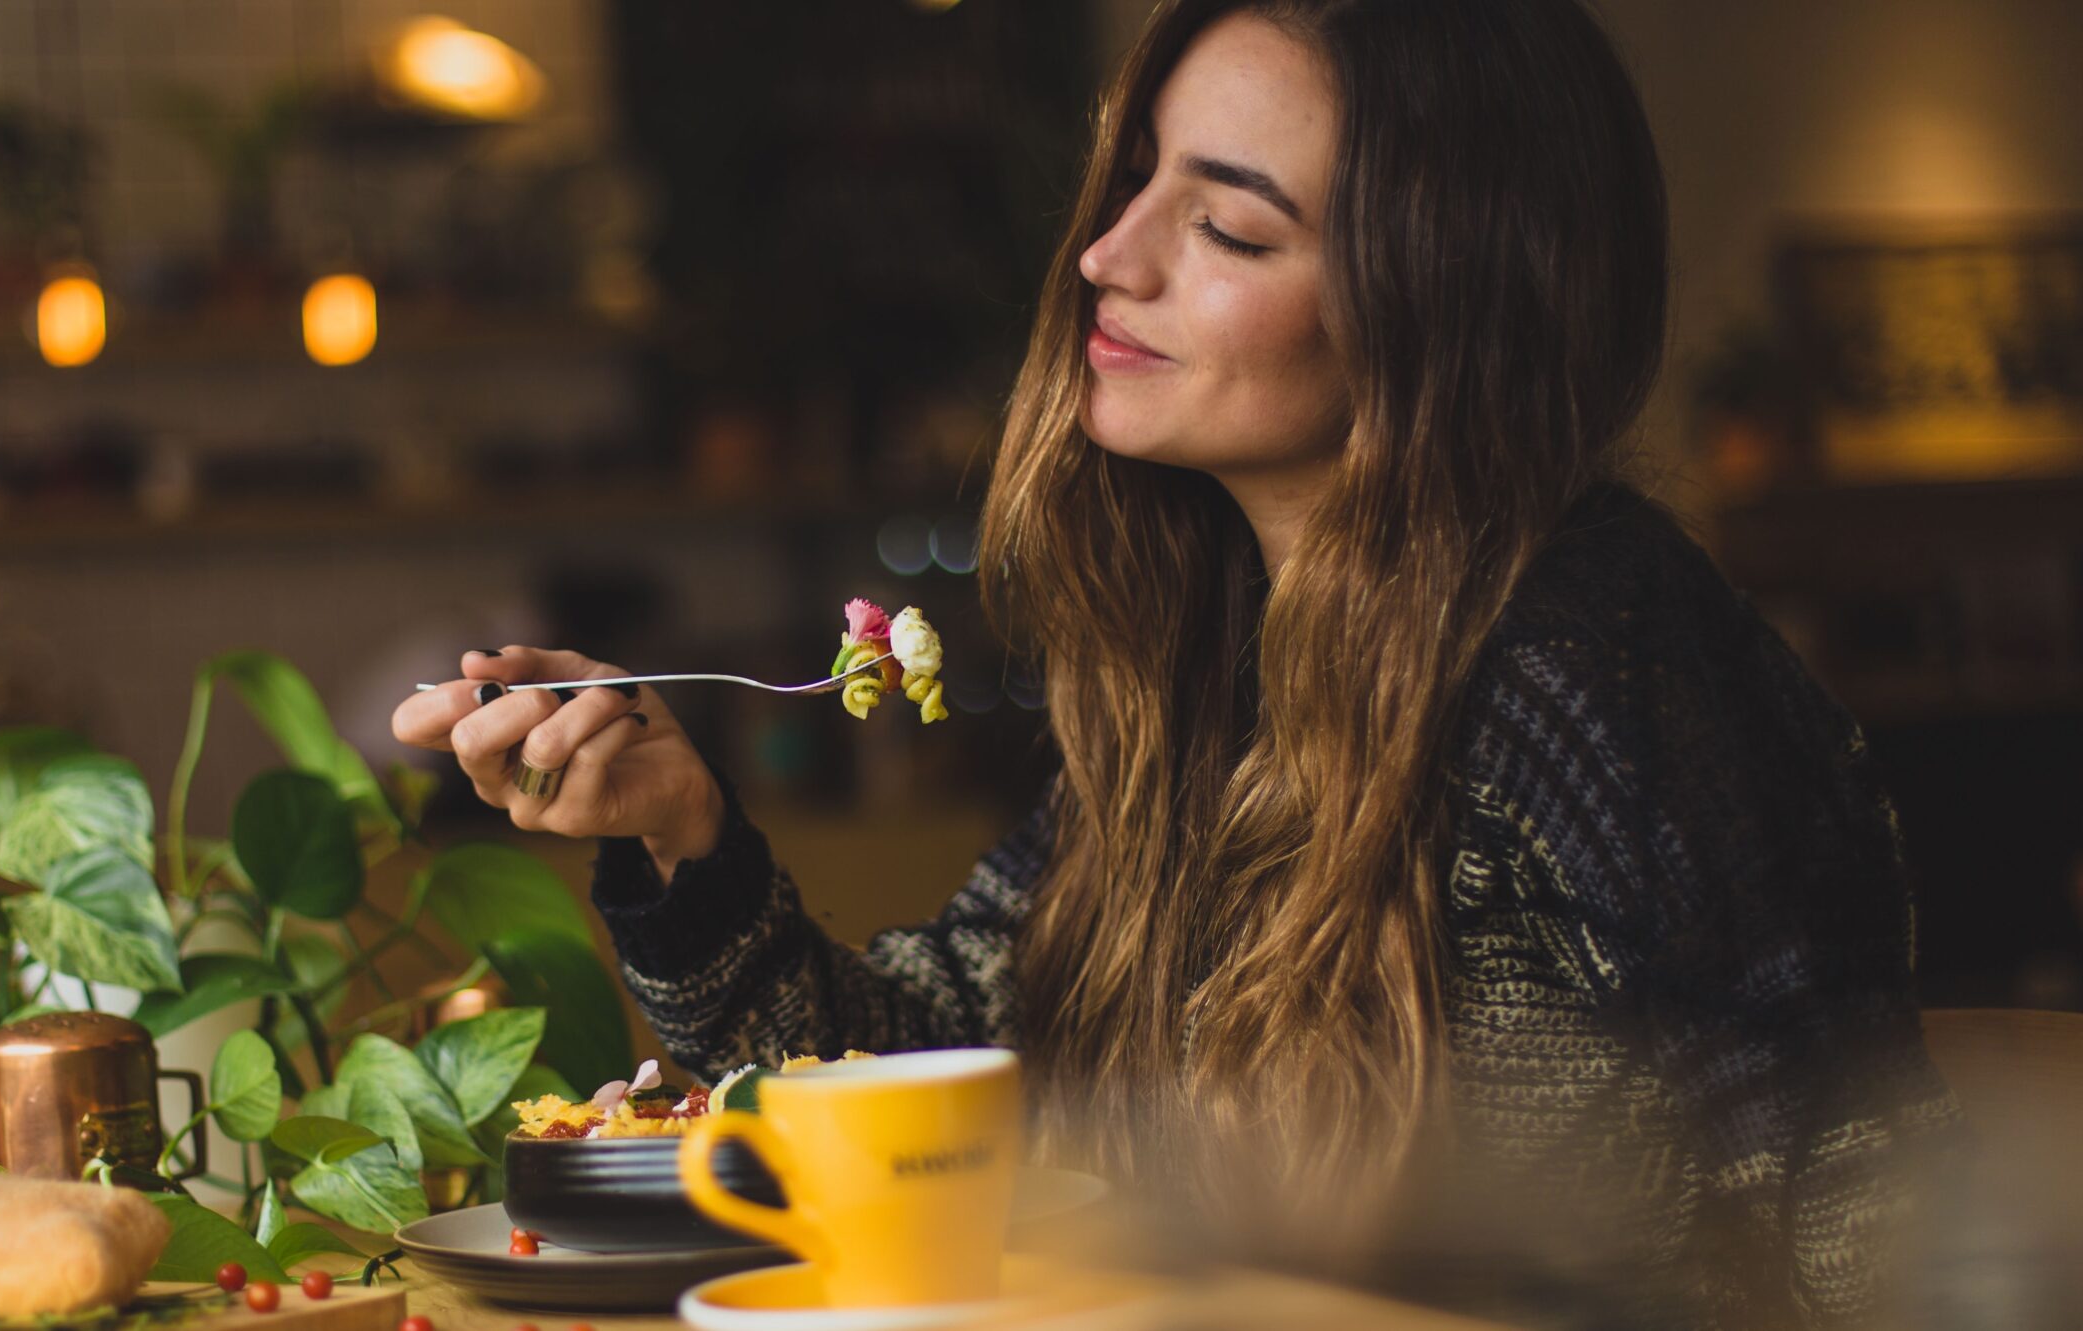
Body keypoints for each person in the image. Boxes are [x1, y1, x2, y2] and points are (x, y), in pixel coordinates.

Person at [393, 1, 1957, 1325]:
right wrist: (685, 835)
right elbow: (912, 1098)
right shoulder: (1214, 674)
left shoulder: (1593, 661)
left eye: (1226, 224)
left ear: (1443, 307)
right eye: (1132, 180)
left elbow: (1854, 1227)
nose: (1105, 257)